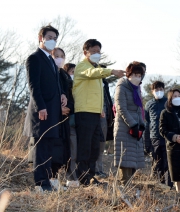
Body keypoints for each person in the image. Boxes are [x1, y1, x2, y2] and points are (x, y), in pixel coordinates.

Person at [72, 39, 125, 186]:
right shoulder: (83, 67)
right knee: (85, 147)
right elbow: (92, 73)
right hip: (84, 112)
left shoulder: (95, 70)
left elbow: (96, 92)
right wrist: (112, 71)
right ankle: (82, 178)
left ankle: (90, 175)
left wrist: (100, 108)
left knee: (95, 147)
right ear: (85, 53)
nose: (97, 54)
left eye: (98, 52)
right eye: (93, 52)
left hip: (95, 113)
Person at [23, 25, 67, 192]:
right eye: (49, 37)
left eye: (54, 38)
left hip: (53, 111)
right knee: (41, 147)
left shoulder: (50, 59)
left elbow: (55, 84)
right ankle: (40, 183)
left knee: (49, 147)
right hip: (41, 111)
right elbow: (34, 86)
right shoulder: (34, 58)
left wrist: (62, 94)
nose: (52, 41)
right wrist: (41, 107)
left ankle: (48, 180)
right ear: (40, 38)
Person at [113, 62, 146, 186]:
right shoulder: (122, 86)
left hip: (135, 126)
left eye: (139, 75)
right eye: (135, 74)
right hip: (124, 126)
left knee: (133, 160)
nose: (137, 77)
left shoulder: (136, 89)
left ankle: (129, 187)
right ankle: (124, 188)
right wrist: (132, 124)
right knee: (125, 159)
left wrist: (141, 124)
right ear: (129, 74)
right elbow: (121, 108)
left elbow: (139, 109)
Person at [51, 48, 79, 188]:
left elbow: (70, 95)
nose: (60, 58)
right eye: (56, 56)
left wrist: (69, 108)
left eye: (62, 56)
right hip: (52, 116)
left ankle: (58, 178)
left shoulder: (64, 75)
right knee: (52, 148)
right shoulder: (50, 73)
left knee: (63, 149)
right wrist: (58, 108)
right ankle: (50, 179)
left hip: (66, 116)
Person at [144, 81, 173, 188]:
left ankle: (169, 184)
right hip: (154, 137)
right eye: (156, 90)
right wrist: (146, 142)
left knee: (168, 161)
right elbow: (147, 122)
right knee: (157, 161)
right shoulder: (148, 104)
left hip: (167, 137)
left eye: (161, 89)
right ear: (152, 91)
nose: (159, 92)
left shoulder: (168, 103)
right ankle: (160, 183)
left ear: (164, 90)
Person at [95, 65, 114, 179]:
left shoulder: (104, 83)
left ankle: (100, 169)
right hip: (96, 117)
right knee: (95, 145)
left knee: (101, 146)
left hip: (105, 118)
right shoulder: (92, 83)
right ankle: (95, 170)